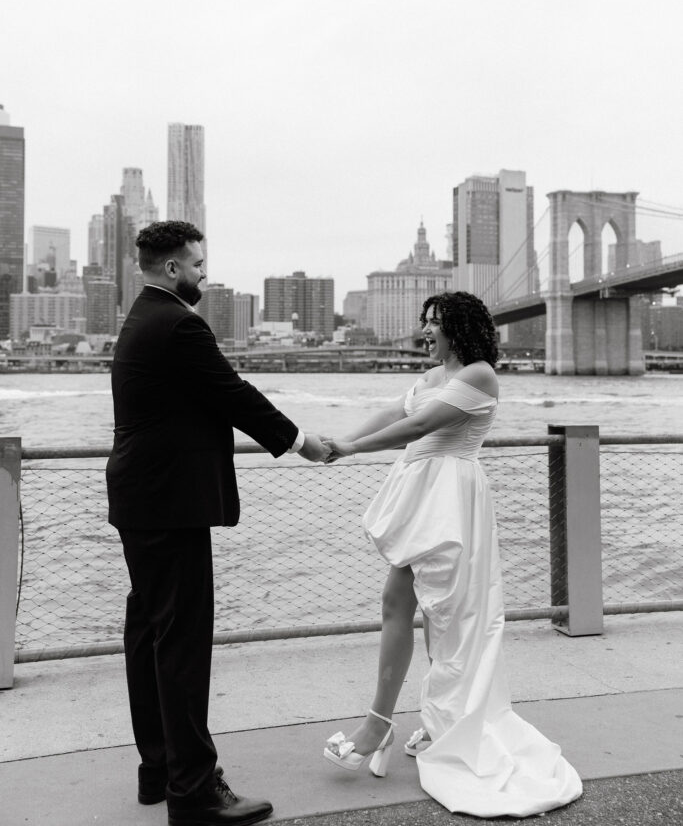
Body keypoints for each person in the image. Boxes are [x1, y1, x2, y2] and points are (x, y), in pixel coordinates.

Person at [322, 291, 582, 818]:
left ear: (459, 328)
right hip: (422, 499)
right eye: (424, 322)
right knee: (397, 603)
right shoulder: (431, 376)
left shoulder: (480, 375)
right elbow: (394, 412)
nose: (425, 331)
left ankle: (418, 725)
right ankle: (385, 722)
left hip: (452, 505)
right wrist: (337, 441)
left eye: (434, 323)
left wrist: (350, 451)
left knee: (452, 620)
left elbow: (419, 427)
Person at [106, 220, 328, 826]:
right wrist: (301, 440)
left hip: (142, 498)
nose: (206, 273)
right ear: (174, 267)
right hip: (170, 504)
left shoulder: (141, 318)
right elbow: (232, 393)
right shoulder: (179, 322)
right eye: (199, 264)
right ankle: (196, 793)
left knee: (151, 635)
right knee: (181, 644)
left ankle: (161, 772)